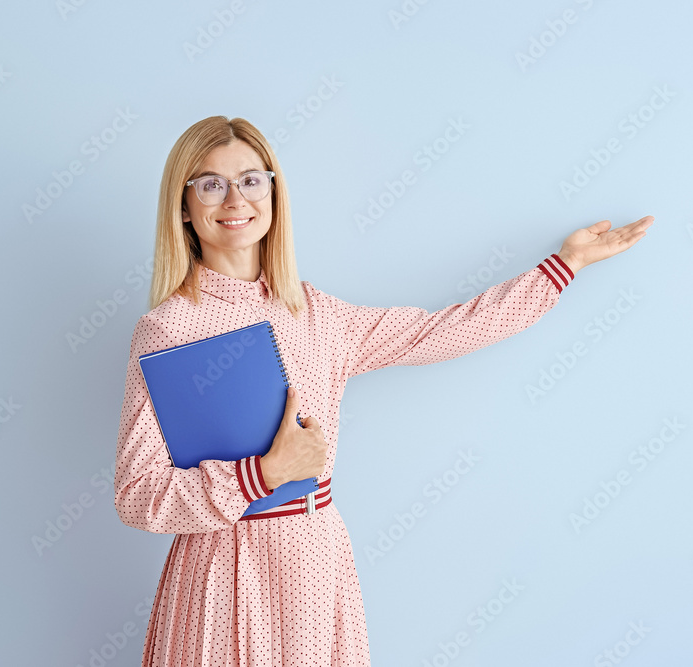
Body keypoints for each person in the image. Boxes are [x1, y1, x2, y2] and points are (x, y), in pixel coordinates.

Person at [114, 115, 653, 667]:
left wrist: (564, 266)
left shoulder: (315, 314)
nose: (235, 199)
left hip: (312, 564)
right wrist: (262, 474)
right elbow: (137, 495)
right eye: (210, 183)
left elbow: (444, 329)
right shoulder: (167, 329)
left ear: (273, 194)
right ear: (183, 206)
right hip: (220, 572)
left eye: (252, 180)